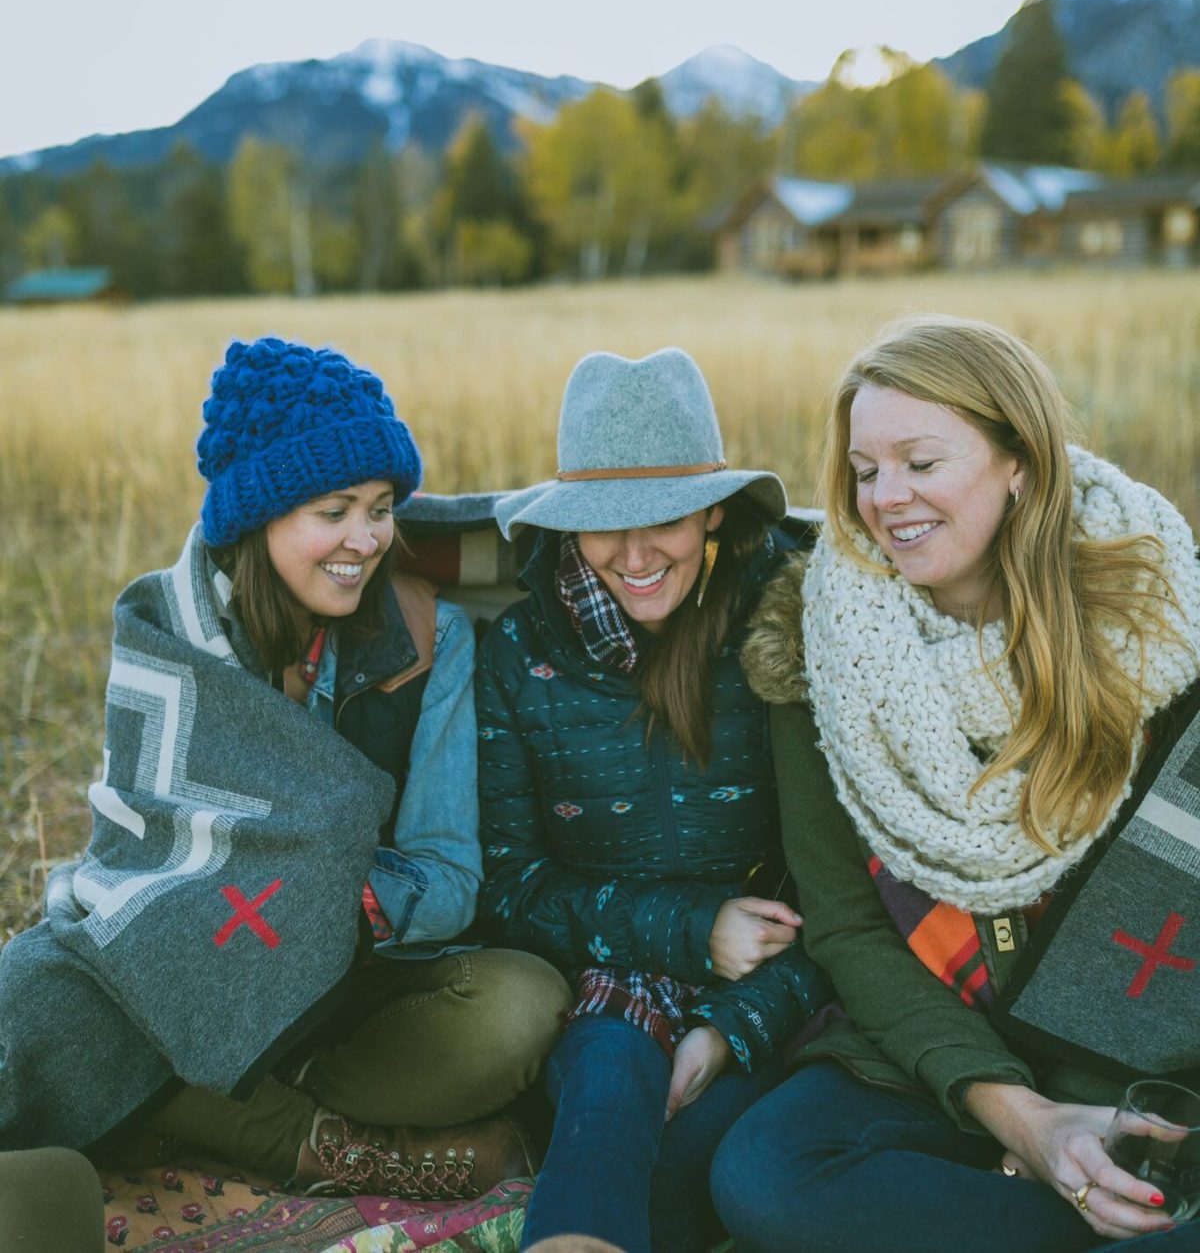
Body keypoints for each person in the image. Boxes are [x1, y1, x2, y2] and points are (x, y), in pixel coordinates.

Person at [0, 337, 570, 1202]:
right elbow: (135, 872)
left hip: (355, 989)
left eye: (380, 508)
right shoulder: (169, 640)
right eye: (332, 510)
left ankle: (193, 1107)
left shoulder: (431, 639)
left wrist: (311, 906)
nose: (365, 540)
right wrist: (227, 926)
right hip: (178, 979)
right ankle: (319, 1146)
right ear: (258, 518)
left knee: (519, 1006)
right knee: (35, 1001)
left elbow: (450, 876)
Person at [712, 314, 1200, 1252]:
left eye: (921, 463)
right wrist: (1022, 1119)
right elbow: (850, 926)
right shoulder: (820, 654)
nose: (885, 498)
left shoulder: (1153, 619)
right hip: (944, 1045)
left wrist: (1095, 1108)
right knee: (766, 1175)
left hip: (1135, 1046)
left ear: (1019, 461)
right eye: (863, 471)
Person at [475, 347, 831, 1253]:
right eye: (600, 525)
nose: (633, 556)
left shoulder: (791, 623)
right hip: (602, 983)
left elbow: (845, 889)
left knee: (690, 1182)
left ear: (713, 508)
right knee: (606, 1085)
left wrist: (731, 1024)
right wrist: (690, 926)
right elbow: (511, 885)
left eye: (664, 517)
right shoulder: (521, 653)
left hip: (780, 990)